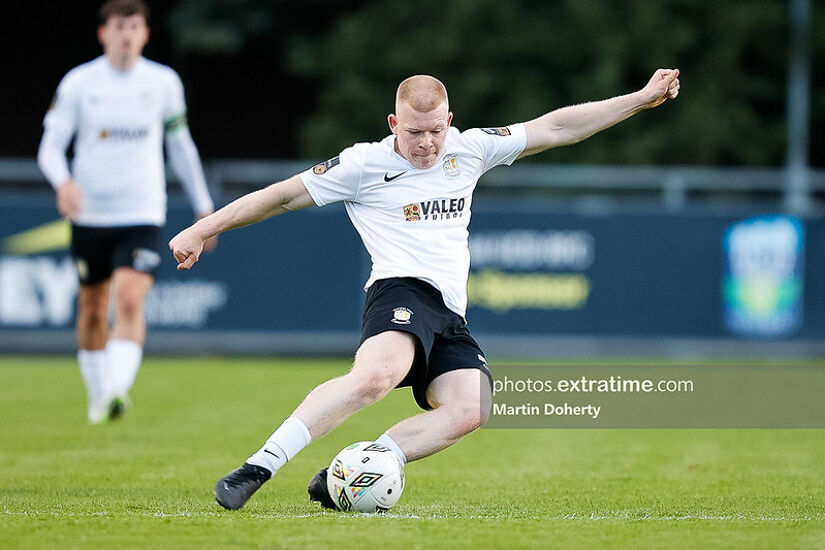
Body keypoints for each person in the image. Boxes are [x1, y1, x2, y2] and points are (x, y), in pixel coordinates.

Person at [169, 69, 680, 510]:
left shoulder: (471, 149)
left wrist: (638, 99)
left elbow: (556, 126)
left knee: (472, 408)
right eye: (415, 133)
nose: (427, 144)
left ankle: (352, 471)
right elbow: (279, 197)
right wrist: (203, 228)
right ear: (394, 124)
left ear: (450, 121)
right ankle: (257, 468)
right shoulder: (363, 165)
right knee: (376, 377)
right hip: (399, 290)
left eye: (437, 130)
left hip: (449, 314)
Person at [37, 0, 216, 425]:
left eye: (135, 26)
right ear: (103, 33)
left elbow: (180, 147)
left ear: (146, 34)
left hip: (142, 212)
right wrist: (63, 182)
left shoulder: (163, 82)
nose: (127, 34)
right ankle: (99, 394)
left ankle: (117, 389)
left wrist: (204, 207)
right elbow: (49, 147)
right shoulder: (80, 83)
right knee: (94, 309)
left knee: (131, 299)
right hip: (90, 216)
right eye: (119, 26)